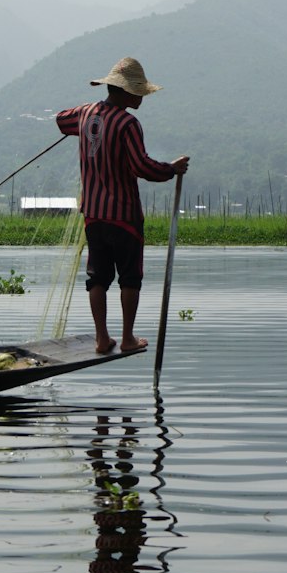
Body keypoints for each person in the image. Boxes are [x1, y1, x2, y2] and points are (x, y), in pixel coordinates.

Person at [56, 56, 189, 355]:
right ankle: (127, 337)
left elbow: (61, 120)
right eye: (137, 91)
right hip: (124, 215)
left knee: (97, 277)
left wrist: (84, 122)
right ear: (124, 91)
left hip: (93, 214)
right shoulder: (128, 123)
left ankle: (102, 339)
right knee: (130, 277)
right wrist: (172, 169)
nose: (141, 96)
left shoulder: (85, 113)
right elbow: (142, 167)